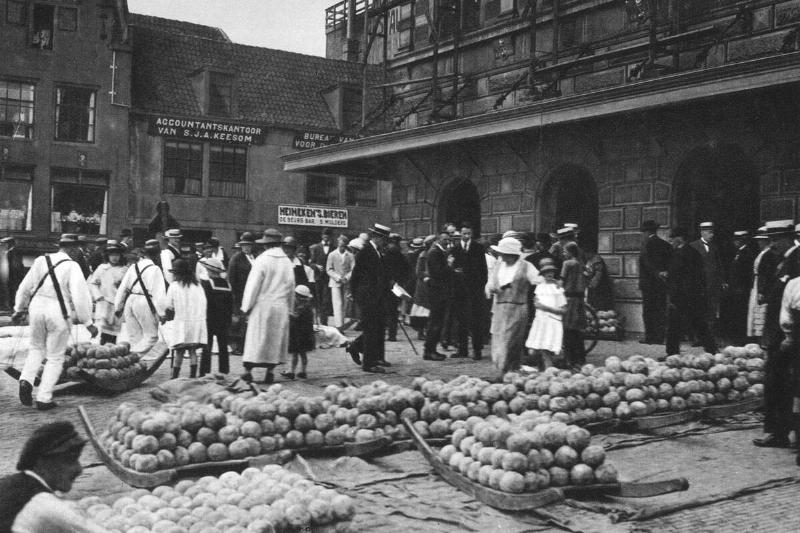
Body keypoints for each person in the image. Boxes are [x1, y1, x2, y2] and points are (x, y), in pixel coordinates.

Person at [11, 234, 96, 410]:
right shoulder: (72, 266)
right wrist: (88, 322)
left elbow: (24, 287)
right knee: (55, 356)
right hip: (58, 311)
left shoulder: (41, 260)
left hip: (36, 308)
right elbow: (80, 297)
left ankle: (26, 380)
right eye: (77, 249)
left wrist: (18, 309)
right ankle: (44, 398)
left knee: (36, 348)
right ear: (72, 249)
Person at [0, 421, 105, 533]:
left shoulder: (6, 484)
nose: (79, 469)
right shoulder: (44, 503)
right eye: (69, 460)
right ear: (42, 464)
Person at [754, 220, 800, 448]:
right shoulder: (783, 259)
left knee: (780, 383)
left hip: (787, 335)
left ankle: (779, 432)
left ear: (786, 238)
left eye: (774, 241)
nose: (771, 246)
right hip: (778, 333)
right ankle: (778, 432)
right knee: (777, 383)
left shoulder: (796, 259)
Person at [240, 228, 295, 384]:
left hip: (262, 305)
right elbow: (291, 286)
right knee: (274, 340)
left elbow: (253, 285)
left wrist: (246, 306)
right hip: (281, 305)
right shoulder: (286, 261)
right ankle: (270, 371)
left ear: (266, 245)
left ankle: (248, 371)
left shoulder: (262, 260)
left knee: (256, 339)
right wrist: (290, 308)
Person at [485, 237, 541, 373]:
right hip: (500, 307)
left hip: (518, 307)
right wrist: (490, 289)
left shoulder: (526, 266)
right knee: (498, 338)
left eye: (504, 254)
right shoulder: (499, 266)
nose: (501, 256)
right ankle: (508, 371)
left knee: (510, 340)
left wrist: (544, 295)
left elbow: (539, 281)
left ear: (512, 254)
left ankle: (506, 370)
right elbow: (490, 283)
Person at [665, 227, 717, 357]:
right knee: (695, 324)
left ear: (680, 238)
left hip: (684, 296)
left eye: (673, 237)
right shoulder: (687, 252)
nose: (670, 240)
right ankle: (711, 350)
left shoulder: (685, 253)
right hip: (688, 295)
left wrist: (675, 296)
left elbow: (687, 277)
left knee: (680, 325)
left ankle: (673, 354)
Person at [350, 223, 392, 373]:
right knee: (371, 330)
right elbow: (355, 277)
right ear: (377, 237)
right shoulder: (366, 252)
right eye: (384, 239)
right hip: (368, 298)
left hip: (377, 297)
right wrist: (357, 296)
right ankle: (368, 364)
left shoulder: (378, 252)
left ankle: (360, 349)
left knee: (376, 328)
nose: (386, 242)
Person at [114, 239, 167, 356]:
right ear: (157, 255)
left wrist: (118, 306)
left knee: (135, 336)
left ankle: (133, 364)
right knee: (152, 336)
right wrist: (162, 313)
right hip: (144, 301)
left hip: (130, 301)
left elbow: (123, 288)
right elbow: (159, 293)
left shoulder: (134, 267)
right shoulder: (155, 269)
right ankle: (133, 355)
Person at [161, 259, 207, 379]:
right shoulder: (198, 286)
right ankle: (193, 376)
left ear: (178, 273)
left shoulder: (174, 286)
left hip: (181, 322)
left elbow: (168, 305)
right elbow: (203, 303)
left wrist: (166, 315)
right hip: (196, 322)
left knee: (179, 351)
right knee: (192, 350)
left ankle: (175, 376)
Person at [451, 222, 488, 360]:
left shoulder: (478, 248)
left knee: (476, 321)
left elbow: (483, 270)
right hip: (459, 291)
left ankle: (477, 350)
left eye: (469, 234)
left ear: (472, 234)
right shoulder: (455, 249)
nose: (466, 236)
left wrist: (480, 286)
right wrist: (455, 273)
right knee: (461, 321)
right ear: (460, 234)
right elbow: (451, 269)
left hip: (474, 291)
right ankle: (462, 349)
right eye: (464, 234)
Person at [525, 258, 566, 370]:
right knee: (533, 350)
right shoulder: (539, 287)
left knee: (547, 348)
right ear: (542, 274)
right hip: (540, 321)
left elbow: (563, 310)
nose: (549, 274)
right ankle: (544, 367)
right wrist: (537, 306)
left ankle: (549, 369)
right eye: (546, 272)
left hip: (552, 321)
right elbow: (536, 304)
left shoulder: (557, 288)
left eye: (551, 271)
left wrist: (546, 308)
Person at [690, 221, 728, 338]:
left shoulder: (715, 247)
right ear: (702, 232)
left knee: (712, 311)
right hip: (699, 285)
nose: (712, 235)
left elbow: (720, 265)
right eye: (709, 232)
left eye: (713, 232)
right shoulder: (693, 246)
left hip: (713, 285)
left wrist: (723, 281)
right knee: (698, 310)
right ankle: (698, 337)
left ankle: (709, 336)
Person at [87, 240, 128, 345]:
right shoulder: (102, 268)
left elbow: (128, 287)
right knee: (103, 330)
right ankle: (102, 347)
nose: (114, 258)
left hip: (117, 303)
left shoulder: (124, 270)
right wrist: (98, 296)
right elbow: (93, 283)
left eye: (117, 255)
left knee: (114, 332)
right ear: (108, 256)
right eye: (112, 255)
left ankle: (111, 349)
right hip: (104, 302)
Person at [638, 220, 672, 344]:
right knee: (660, 310)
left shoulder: (646, 244)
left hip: (648, 284)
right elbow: (671, 263)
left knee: (648, 311)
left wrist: (656, 273)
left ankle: (650, 337)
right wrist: (664, 273)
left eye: (643, 232)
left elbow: (647, 264)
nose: (642, 234)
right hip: (661, 284)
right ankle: (660, 337)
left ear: (647, 232)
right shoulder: (666, 245)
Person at [198, 257, 232, 376]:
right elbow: (230, 304)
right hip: (223, 320)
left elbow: (204, 302)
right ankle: (224, 371)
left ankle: (204, 371)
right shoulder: (227, 284)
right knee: (223, 346)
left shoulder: (207, 284)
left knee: (207, 346)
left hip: (210, 319)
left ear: (210, 271)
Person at [422, 231, 452, 361]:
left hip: (438, 292)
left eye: (448, 240)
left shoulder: (438, 251)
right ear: (438, 240)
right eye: (444, 239)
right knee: (435, 322)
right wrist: (450, 266)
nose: (446, 242)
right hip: (437, 292)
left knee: (437, 322)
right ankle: (429, 351)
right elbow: (437, 273)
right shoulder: (435, 252)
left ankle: (432, 350)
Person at [726, 230, 757, 343]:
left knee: (741, 314)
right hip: (736, 289)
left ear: (740, 241)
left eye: (736, 240)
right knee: (737, 314)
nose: (734, 242)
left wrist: (742, 287)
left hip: (741, 290)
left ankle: (741, 339)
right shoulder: (739, 252)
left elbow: (746, 273)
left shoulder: (746, 253)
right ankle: (738, 338)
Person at [227, 232, 255, 355]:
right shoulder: (236, 258)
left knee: (249, 321)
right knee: (240, 321)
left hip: (252, 293)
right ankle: (238, 347)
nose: (246, 247)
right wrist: (233, 296)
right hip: (240, 294)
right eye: (244, 245)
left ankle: (248, 346)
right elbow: (231, 279)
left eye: (248, 245)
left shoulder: (254, 257)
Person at [561, 242, 588, 369]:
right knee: (577, 330)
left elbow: (562, 281)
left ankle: (569, 359)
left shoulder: (567, 263)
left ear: (570, 252)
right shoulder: (581, 263)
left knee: (567, 329)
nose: (563, 253)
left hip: (569, 298)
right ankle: (580, 358)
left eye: (565, 251)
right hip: (579, 299)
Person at [283, 284, 315, 380]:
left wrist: (288, 313)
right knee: (303, 354)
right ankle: (303, 371)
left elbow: (295, 316)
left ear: (298, 296)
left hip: (298, 335)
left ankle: (292, 371)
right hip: (306, 335)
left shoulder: (302, 307)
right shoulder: (308, 307)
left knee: (295, 354)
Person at [384, 233, 411, 343]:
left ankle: (391, 334)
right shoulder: (400, 255)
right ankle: (392, 334)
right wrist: (400, 281)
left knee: (389, 310)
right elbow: (407, 271)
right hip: (396, 287)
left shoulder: (387, 254)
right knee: (393, 311)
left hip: (388, 286)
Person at [747, 226, 771, 340]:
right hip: (756, 284)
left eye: (761, 240)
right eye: (758, 240)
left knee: (762, 311)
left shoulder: (768, 254)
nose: (759, 242)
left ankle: (762, 338)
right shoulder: (762, 253)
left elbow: (765, 274)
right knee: (755, 310)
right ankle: (757, 337)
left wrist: (762, 290)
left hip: (761, 285)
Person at [326, 235, 353, 329]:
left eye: (344, 245)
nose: (342, 247)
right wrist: (337, 277)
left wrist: (347, 277)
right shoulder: (332, 254)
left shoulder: (350, 255)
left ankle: (342, 325)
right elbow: (329, 269)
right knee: (337, 303)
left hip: (346, 282)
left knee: (345, 304)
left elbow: (353, 269)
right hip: (335, 282)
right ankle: (339, 326)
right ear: (338, 244)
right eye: (340, 245)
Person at [410, 236, 434, 340]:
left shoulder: (433, 254)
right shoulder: (423, 255)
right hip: (423, 286)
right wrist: (429, 274)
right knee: (422, 310)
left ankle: (427, 331)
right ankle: (421, 331)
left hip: (431, 285)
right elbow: (418, 271)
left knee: (429, 310)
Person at [309, 228, 333, 325]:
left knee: (326, 300)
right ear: (322, 236)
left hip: (329, 278)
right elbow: (311, 263)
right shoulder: (316, 248)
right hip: (318, 278)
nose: (326, 237)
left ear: (330, 237)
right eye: (324, 235)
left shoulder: (333, 248)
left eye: (327, 235)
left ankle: (324, 322)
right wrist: (317, 266)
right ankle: (318, 322)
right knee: (319, 300)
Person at [2, 237, 25, 308]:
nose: (4, 245)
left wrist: (11, 276)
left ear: (10, 244)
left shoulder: (14, 252)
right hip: (11, 276)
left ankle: (12, 306)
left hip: (13, 276)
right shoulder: (10, 252)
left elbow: (16, 265)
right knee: (11, 290)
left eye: (5, 243)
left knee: (13, 290)